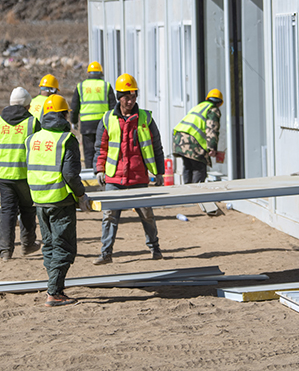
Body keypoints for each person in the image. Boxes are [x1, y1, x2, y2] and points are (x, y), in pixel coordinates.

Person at [93, 73, 165, 265]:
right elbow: (101, 147)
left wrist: (159, 173)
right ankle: (106, 253)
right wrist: (99, 169)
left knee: (147, 215)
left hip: (138, 177)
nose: (131, 100)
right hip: (114, 179)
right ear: (119, 97)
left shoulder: (146, 118)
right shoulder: (108, 119)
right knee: (109, 216)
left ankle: (155, 248)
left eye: (134, 96)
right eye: (127, 96)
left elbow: (157, 147)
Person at [26, 94, 89, 306]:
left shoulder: (33, 138)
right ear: (64, 114)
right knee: (64, 247)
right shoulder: (66, 140)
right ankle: (53, 292)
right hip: (60, 200)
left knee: (50, 246)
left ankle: (55, 287)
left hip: (39, 200)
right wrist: (81, 195)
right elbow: (70, 175)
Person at [0, 87, 41, 261]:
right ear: (27, 105)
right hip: (26, 176)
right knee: (28, 209)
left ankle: (5, 251)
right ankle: (27, 244)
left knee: (7, 212)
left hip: (4, 175)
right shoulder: (32, 123)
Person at [70, 62, 116, 169]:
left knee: (89, 152)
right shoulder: (106, 86)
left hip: (87, 125)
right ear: (101, 73)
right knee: (103, 150)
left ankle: (91, 175)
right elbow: (113, 107)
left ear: (88, 74)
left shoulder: (81, 86)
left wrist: (74, 121)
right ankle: (103, 173)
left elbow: (74, 106)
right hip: (103, 124)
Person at [172, 89, 223, 184]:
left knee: (188, 166)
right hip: (192, 141)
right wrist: (212, 147)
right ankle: (196, 194)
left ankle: (187, 193)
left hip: (179, 138)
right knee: (199, 168)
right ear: (220, 103)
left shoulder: (199, 106)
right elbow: (212, 129)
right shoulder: (213, 109)